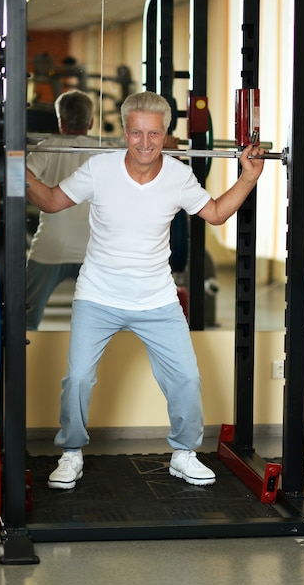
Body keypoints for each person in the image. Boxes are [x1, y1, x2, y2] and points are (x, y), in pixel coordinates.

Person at [26, 91, 265, 489]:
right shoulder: (99, 168)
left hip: (156, 299)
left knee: (186, 378)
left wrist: (248, 177)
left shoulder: (177, 175)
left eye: (154, 134)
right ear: (124, 131)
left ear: (166, 133)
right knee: (79, 378)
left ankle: (184, 454)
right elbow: (51, 201)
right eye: (136, 133)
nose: (145, 143)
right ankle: (70, 453)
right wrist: (21, 173)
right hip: (98, 295)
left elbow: (217, 214)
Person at [25, 90, 96, 330]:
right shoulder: (105, 152)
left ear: (60, 121)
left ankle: (21, 363)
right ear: (91, 122)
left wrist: (7, 155)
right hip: (93, 252)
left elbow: (19, 179)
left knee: (24, 319)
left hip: (50, 248)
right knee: (106, 318)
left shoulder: (47, 147)